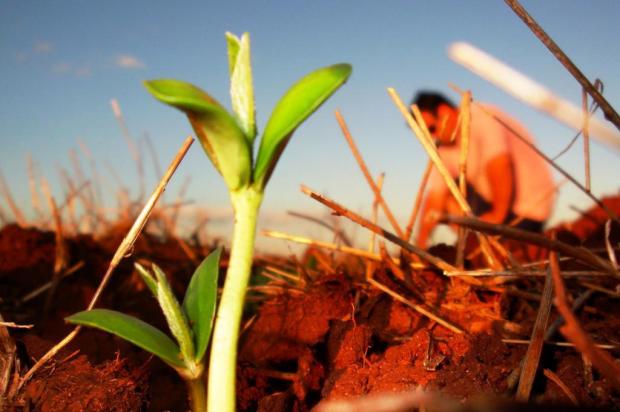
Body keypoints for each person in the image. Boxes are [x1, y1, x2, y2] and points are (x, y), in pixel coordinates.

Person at [414, 91, 555, 248]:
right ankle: (478, 245)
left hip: (527, 211)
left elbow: (499, 162)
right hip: (490, 206)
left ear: (444, 111)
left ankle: (485, 247)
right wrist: (419, 244)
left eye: (432, 129)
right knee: (448, 200)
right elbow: (436, 196)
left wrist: (497, 216)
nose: (433, 138)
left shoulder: (480, 115)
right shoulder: (443, 147)